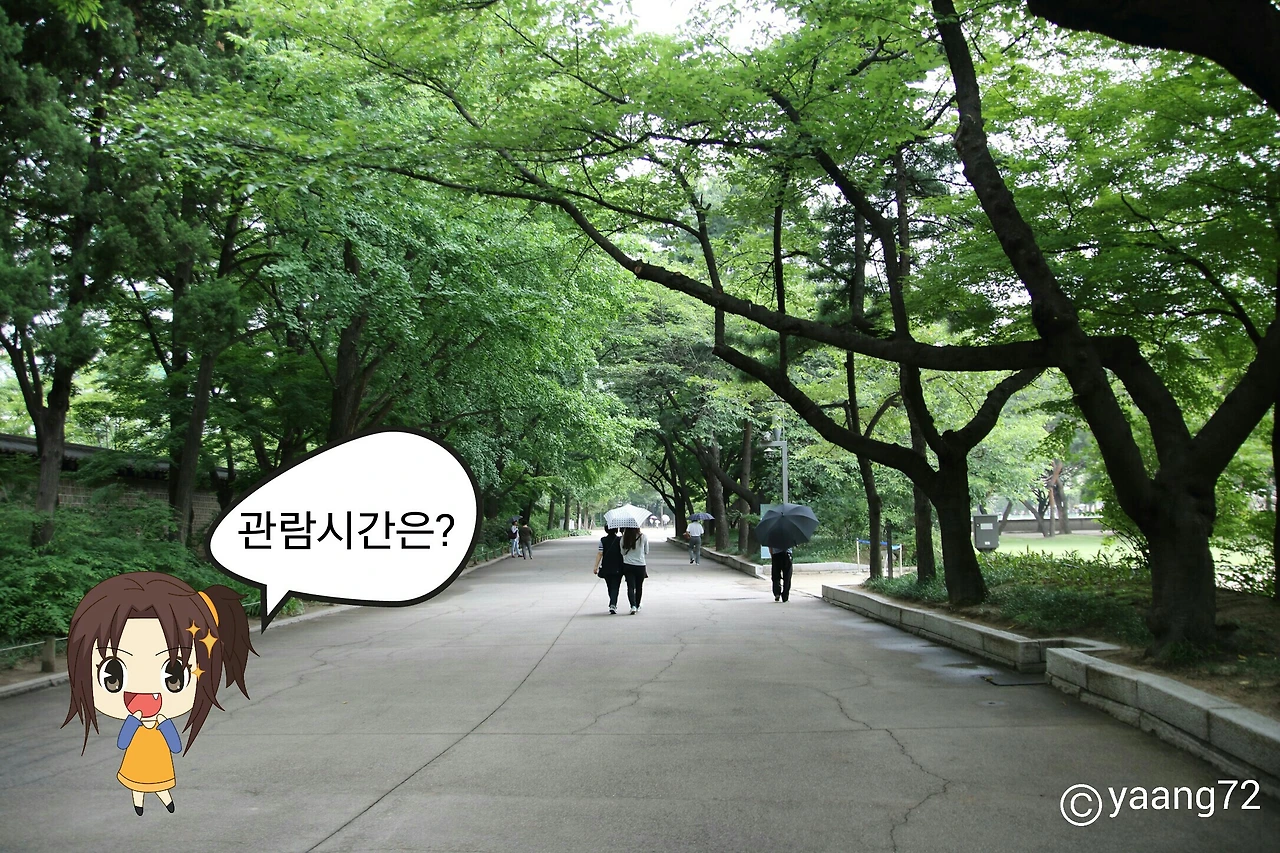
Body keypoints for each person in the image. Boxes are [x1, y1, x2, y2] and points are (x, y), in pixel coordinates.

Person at [63, 572, 255, 815]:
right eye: (113, 677)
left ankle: (166, 800)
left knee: (161, 784)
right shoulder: (136, 722)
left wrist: (163, 724)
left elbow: (175, 746)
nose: (142, 694)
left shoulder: (162, 722)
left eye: (174, 677)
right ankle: (139, 803)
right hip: (136, 762)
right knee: (136, 785)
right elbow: (123, 742)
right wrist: (134, 722)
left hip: (159, 763)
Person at [592, 526, 626, 614]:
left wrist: (596, 566)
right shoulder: (620, 540)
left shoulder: (603, 540)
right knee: (616, 586)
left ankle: (612, 602)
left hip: (606, 566)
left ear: (606, 530)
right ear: (616, 529)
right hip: (618, 566)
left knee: (609, 586)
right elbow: (624, 550)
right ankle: (613, 604)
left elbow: (600, 553)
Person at [620, 526, 649, 614]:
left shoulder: (624, 538)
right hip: (640, 565)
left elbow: (622, 552)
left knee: (630, 587)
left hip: (628, 565)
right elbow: (646, 551)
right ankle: (637, 605)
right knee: (639, 587)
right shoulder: (643, 537)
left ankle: (632, 606)